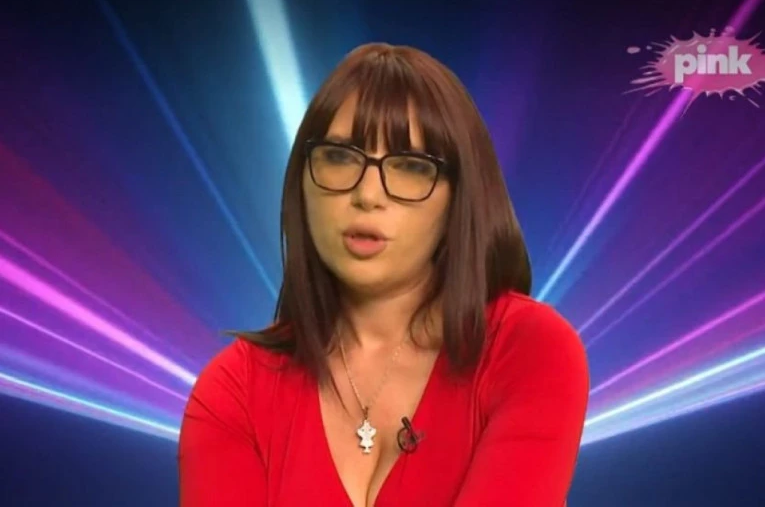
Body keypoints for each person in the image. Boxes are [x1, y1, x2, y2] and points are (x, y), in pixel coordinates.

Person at [177, 42, 589, 507]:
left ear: (460, 197)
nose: (368, 195)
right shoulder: (232, 390)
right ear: (301, 183)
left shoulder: (529, 350)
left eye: (411, 166)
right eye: (339, 157)